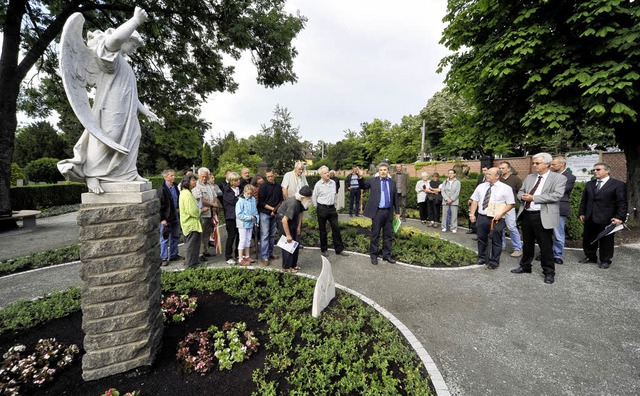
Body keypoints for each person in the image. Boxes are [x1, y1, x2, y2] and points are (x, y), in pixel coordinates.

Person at [57, 7, 161, 194]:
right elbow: (114, 40)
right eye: (134, 45)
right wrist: (135, 21)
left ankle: (128, 173)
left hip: (127, 109)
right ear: (127, 39)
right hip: (110, 107)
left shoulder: (126, 66)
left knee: (134, 136)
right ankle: (92, 174)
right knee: (108, 137)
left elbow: (132, 95)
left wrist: (146, 111)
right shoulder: (108, 56)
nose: (135, 50)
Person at [511, 153, 566, 284]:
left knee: (546, 246)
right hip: (527, 214)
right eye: (533, 163)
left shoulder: (558, 178)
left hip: (542, 215)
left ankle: (549, 272)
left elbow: (557, 195)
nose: (534, 165)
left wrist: (534, 198)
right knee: (527, 243)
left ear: (547, 164)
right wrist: (522, 196)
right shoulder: (530, 177)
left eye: (537, 163)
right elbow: (520, 191)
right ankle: (525, 266)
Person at [578, 162, 627, 269]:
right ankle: (590, 256)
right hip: (590, 216)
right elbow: (584, 200)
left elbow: (622, 202)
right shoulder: (590, 184)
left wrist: (619, 217)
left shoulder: (617, 184)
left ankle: (605, 260)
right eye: (594, 170)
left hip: (607, 218)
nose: (595, 171)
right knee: (588, 238)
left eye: (598, 169)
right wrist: (582, 212)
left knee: (606, 240)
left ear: (607, 171)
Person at [468, 167, 515, 269]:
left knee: (496, 240)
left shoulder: (506, 188)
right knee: (481, 238)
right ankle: (482, 257)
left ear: (497, 176)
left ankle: (494, 261)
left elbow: (510, 204)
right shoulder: (481, 186)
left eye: (489, 174)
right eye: (487, 173)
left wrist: (501, 213)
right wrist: (472, 214)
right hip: (482, 216)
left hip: (497, 218)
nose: (486, 175)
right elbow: (475, 201)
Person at [360, 162, 400, 265]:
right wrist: (361, 177)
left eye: (385, 170)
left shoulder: (392, 183)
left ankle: (386, 255)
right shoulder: (373, 181)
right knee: (375, 234)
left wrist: (397, 212)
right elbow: (363, 186)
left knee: (388, 235)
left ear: (388, 171)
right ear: (378, 171)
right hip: (377, 212)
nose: (383, 171)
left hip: (388, 212)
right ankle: (374, 255)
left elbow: (395, 198)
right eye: (381, 170)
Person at [313, 166, 350, 257]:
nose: (327, 174)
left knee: (336, 228)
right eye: (325, 173)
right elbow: (314, 198)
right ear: (321, 175)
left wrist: (335, 205)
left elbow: (335, 195)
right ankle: (324, 249)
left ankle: (339, 249)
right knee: (323, 230)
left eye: (328, 172)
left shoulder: (333, 183)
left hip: (332, 209)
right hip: (322, 208)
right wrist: (318, 208)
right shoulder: (318, 185)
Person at [278, 185, 313, 273]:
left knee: (295, 243)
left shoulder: (301, 202)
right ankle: (286, 267)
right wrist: (288, 235)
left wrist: (298, 226)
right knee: (288, 244)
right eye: (308, 198)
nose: (309, 200)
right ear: (303, 197)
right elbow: (284, 221)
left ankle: (293, 264)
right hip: (284, 221)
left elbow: (301, 213)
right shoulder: (293, 203)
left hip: (293, 220)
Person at [550, 156, 576, 264]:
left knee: (558, 233)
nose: (551, 166)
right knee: (545, 233)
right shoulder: (549, 175)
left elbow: (561, 191)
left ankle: (557, 255)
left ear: (562, 164)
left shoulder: (570, 177)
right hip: (546, 206)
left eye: (554, 164)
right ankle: (545, 253)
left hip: (559, 207)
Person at [179, 174, 209, 268]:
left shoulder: (187, 193)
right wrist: (202, 210)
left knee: (193, 245)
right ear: (187, 182)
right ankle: (191, 265)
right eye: (193, 180)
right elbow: (193, 211)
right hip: (191, 224)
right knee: (192, 246)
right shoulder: (187, 194)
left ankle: (193, 263)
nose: (195, 182)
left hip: (191, 224)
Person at [257, 169, 284, 265]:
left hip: (274, 213)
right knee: (264, 235)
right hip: (265, 213)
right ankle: (264, 256)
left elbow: (281, 200)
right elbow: (261, 202)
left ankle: (270, 253)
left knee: (272, 235)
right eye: (268, 176)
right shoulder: (263, 186)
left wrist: (275, 211)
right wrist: (272, 209)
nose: (270, 178)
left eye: (271, 176)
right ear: (266, 176)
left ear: (274, 175)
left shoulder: (278, 186)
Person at [497, 161, 524, 257]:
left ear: (509, 169)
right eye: (499, 168)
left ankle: (518, 248)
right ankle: (501, 245)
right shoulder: (498, 179)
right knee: (499, 227)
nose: (501, 170)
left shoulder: (515, 179)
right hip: (498, 206)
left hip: (509, 207)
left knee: (511, 227)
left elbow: (520, 192)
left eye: (503, 168)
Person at [191, 167, 218, 262]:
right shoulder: (196, 186)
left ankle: (205, 250)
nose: (204, 178)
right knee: (201, 234)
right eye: (202, 177)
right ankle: (199, 253)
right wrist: (212, 204)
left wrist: (215, 205)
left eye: (206, 177)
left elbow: (214, 196)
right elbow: (200, 200)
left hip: (210, 212)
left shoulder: (209, 185)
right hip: (203, 214)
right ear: (199, 176)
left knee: (207, 233)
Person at [157, 169, 181, 265]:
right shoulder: (162, 190)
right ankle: (163, 258)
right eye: (171, 176)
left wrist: (178, 208)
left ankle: (174, 254)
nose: (174, 177)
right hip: (166, 217)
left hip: (175, 215)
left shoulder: (175, 187)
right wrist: (162, 219)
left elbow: (178, 198)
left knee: (175, 236)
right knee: (164, 238)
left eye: (173, 175)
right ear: (165, 177)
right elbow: (159, 206)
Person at [235, 184, 259, 266]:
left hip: (251, 223)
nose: (249, 195)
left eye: (251, 194)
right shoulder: (240, 201)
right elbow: (238, 214)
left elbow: (255, 211)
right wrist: (249, 217)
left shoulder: (253, 199)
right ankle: (240, 258)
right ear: (244, 192)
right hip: (242, 224)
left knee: (248, 239)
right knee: (242, 240)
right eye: (248, 193)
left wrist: (256, 220)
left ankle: (247, 256)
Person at [223, 172, 241, 265]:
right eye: (236, 180)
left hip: (239, 217)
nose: (238, 181)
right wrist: (241, 199)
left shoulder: (239, 189)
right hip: (231, 217)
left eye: (238, 179)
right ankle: (228, 256)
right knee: (231, 236)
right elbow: (234, 201)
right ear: (231, 181)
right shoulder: (227, 190)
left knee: (239, 236)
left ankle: (238, 254)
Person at [467, 166, 489, 234]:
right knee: (474, 213)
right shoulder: (481, 178)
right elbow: (476, 189)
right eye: (482, 170)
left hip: (485, 201)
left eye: (485, 170)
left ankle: (480, 232)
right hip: (477, 199)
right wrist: (472, 198)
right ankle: (474, 229)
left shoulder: (490, 180)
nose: (483, 172)